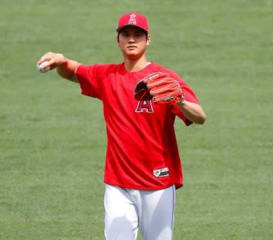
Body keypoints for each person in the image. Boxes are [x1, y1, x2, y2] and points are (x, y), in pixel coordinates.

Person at [37, 12, 206, 240]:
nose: (132, 39)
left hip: (158, 183)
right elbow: (74, 71)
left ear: (148, 40)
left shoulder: (164, 79)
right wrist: (61, 61)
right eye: (126, 34)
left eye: (138, 34)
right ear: (118, 40)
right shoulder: (107, 76)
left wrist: (180, 100)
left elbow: (200, 117)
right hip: (118, 184)